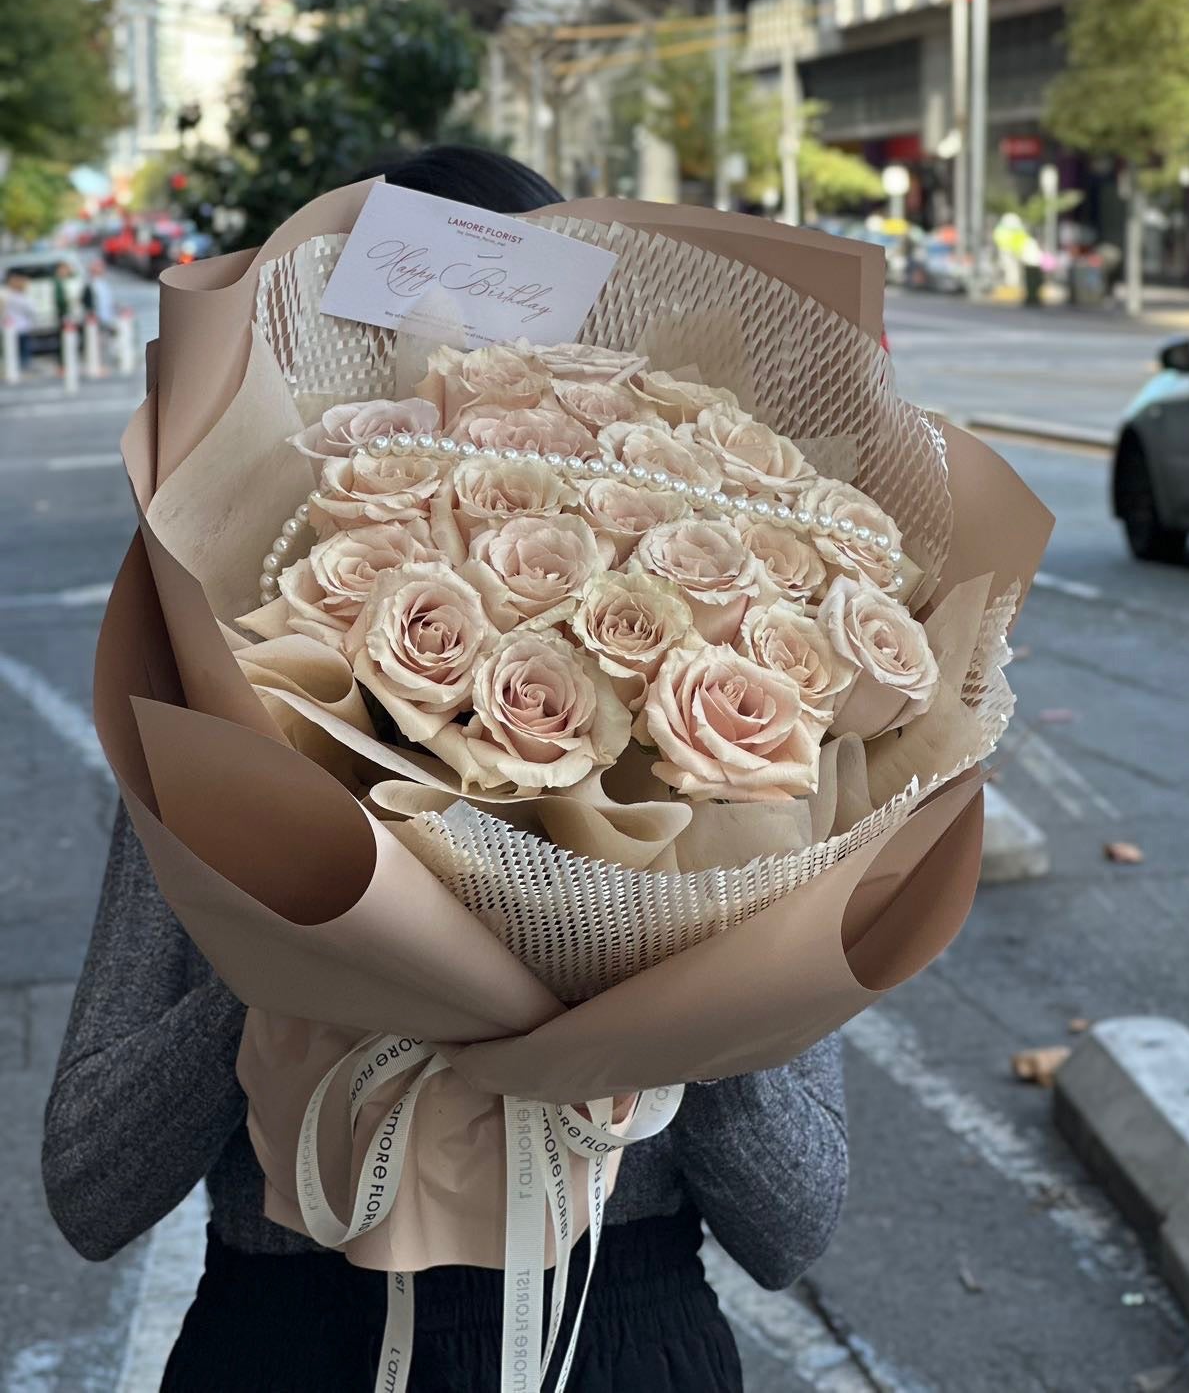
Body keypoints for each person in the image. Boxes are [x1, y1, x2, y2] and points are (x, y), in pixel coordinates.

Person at [43, 144, 849, 1393]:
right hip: (292, 1336)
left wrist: (670, 956)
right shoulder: (211, 702)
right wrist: (296, 931)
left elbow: (794, 1220)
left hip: (619, 1330)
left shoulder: (722, 701)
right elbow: (92, 1183)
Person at [1, 272, 36, 372]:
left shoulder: (22, 294)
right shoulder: (6, 294)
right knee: (14, 349)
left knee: (21, 349)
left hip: (20, 327)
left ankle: (21, 367)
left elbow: (31, 310)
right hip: (11, 327)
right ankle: (16, 367)